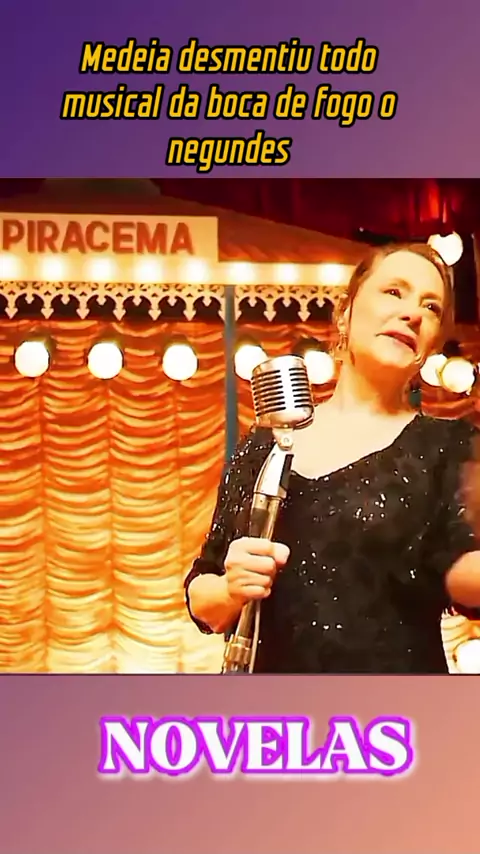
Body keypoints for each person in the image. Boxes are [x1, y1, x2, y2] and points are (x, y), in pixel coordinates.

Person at [184, 243, 480, 673]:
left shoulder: (451, 446)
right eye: (394, 292)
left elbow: (466, 573)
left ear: (433, 343)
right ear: (345, 313)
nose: (413, 313)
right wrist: (230, 589)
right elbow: (202, 595)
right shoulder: (266, 443)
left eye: (430, 307)